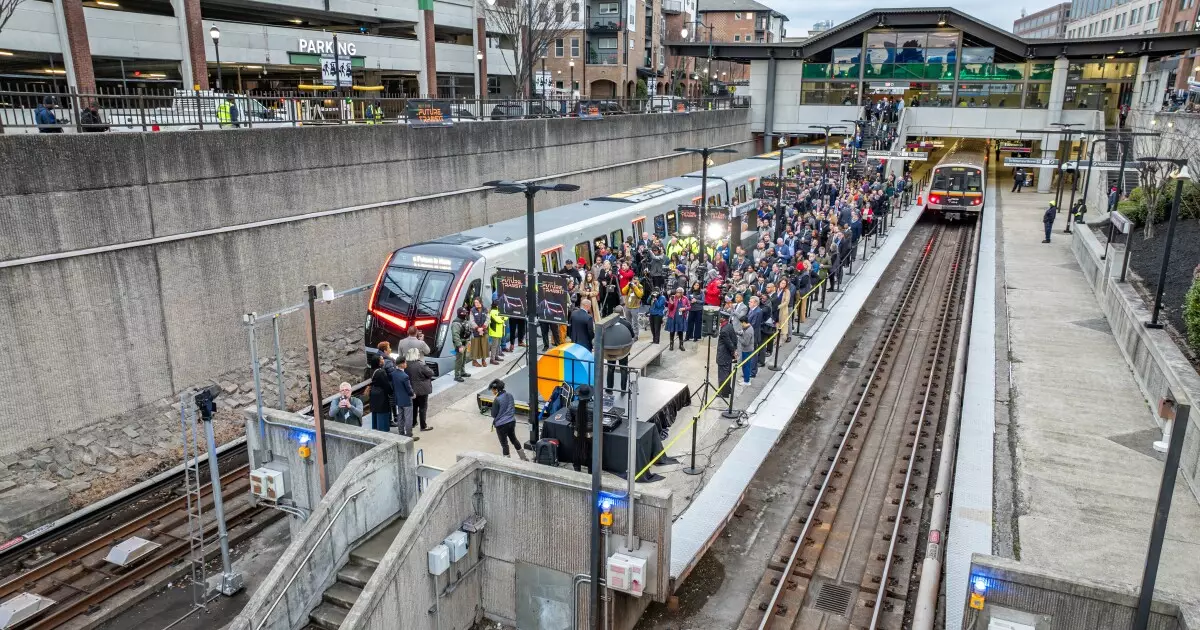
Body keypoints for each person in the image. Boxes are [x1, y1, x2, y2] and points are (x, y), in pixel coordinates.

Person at [488, 379, 527, 460]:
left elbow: (493, 414)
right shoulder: (510, 395)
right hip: (511, 422)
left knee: (504, 444)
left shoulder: (497, 400)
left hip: (501, 425)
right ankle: (523, 458)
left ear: (497, 389)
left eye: (493, 390)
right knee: (514, 439)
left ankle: (507, 462)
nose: (492, 391)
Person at [406, 353, 435, 432]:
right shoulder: (421, 365)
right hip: (422, 390)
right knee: (422, 408)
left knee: (414, 407)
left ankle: (413, 422)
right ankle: (423, 426)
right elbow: (431, 373)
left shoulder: (407, 365)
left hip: (412, 389)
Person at [390, 356, 416, 439]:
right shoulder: (405, 376)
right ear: (401, 364)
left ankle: (401, 433)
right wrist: (413, 394)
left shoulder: (393, 374)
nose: (406, 364)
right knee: (408, 418)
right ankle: (409, 435)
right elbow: (409, 389)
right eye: (405, 362)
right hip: (406, 400)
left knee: (400, 417)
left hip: (398, 399)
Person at [368, 352, 393, 432]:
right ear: (379, 362)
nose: (383, 360)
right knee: (382, 415)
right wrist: (391, 391)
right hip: (381, 395)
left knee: (375, 414)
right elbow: (386, 385)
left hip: (373, 394)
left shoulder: (371, 370)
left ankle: (376, 430)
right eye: (382, 359)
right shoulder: (381, 372)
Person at [716, 312, 739, 398]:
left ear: (723, 318)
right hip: (728, 355)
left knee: (723, 375)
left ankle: (723, 393)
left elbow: (729, 343)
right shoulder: (729, 326)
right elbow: (734, 339)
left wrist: (733, 351)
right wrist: (734, 350)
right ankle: (728, 390)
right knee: (727, 373)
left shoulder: (724, 330)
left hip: (723, 356)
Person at [451, 307, 472, 382]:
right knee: (459, 360)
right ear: (460, 313)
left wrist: (468, 340)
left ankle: (462, 372)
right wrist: (459, 346)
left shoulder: (464, 321)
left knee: (464, 359)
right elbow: (455, 336)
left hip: (465, 342)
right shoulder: (456, 323)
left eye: (466, 312)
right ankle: (457, 375)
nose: (466, 314)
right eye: (464, 313)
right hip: (460, 344)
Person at [469, 297, 489, 368]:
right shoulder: (472, 310)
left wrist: (483, 328)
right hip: (475, 331)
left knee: (484, 346)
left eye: (477, 302)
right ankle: (474, 361)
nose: (476, 304)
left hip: (484, 331)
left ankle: (483, 360)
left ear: (481, 302)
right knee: (475, 346)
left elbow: (488, 319)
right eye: (475, 303)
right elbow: (471, 321)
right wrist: (477, 328)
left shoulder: (486, 309)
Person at [738, 313, 757, 385]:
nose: (741, 325)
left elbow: (745, 342)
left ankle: (746, 381)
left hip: (747, 350)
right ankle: (746, 378)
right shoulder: (747, 327)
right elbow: (743, 332)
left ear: (744, 322)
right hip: (746, 350)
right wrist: (740, 333)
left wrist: (739, 338)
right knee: (745, 365)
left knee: (746, 366)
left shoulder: (748, 331)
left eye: (741, 323)